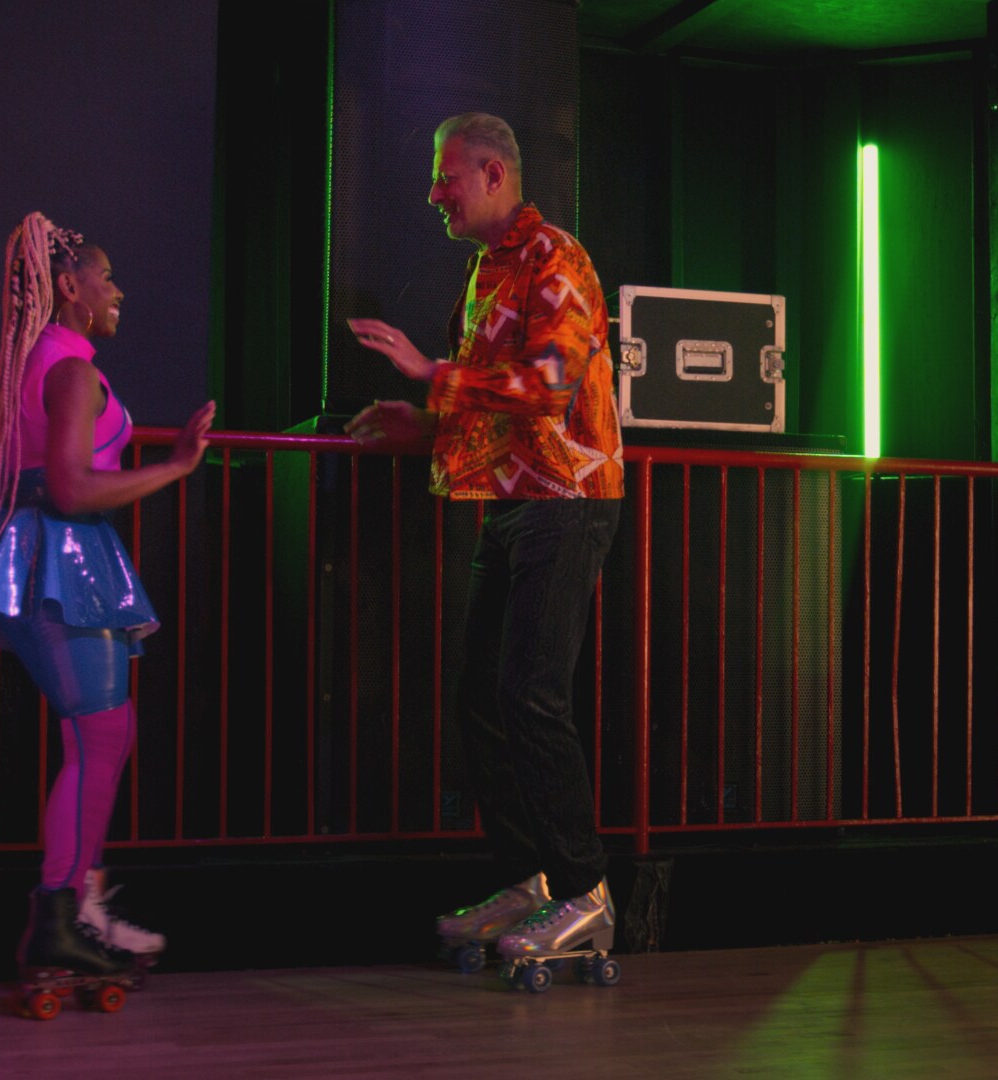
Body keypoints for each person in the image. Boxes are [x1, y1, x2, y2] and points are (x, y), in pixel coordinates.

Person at [344, 113, 624, 969]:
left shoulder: (557, 259)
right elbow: (491, 407)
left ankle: (586, 893)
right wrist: (422, 423)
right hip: (512, 501)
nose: (435, 192)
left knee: (532, 695)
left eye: (447, 175)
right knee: (481, 697)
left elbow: (548, 386)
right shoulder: (487, 271)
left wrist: (434, 375)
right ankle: (529, 879)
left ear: (494, 173)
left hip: (568, 499)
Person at [0, 211, 214, 980]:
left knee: (97, 736)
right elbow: (70, 485)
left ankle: (77, 905)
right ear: (71, 287)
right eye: (107, 277)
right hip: (62, 556)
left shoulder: (22, 365)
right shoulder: (70, 370)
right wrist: (177, 467)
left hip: (25, 554)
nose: (118, 290)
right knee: (100, 737)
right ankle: (59, 916)